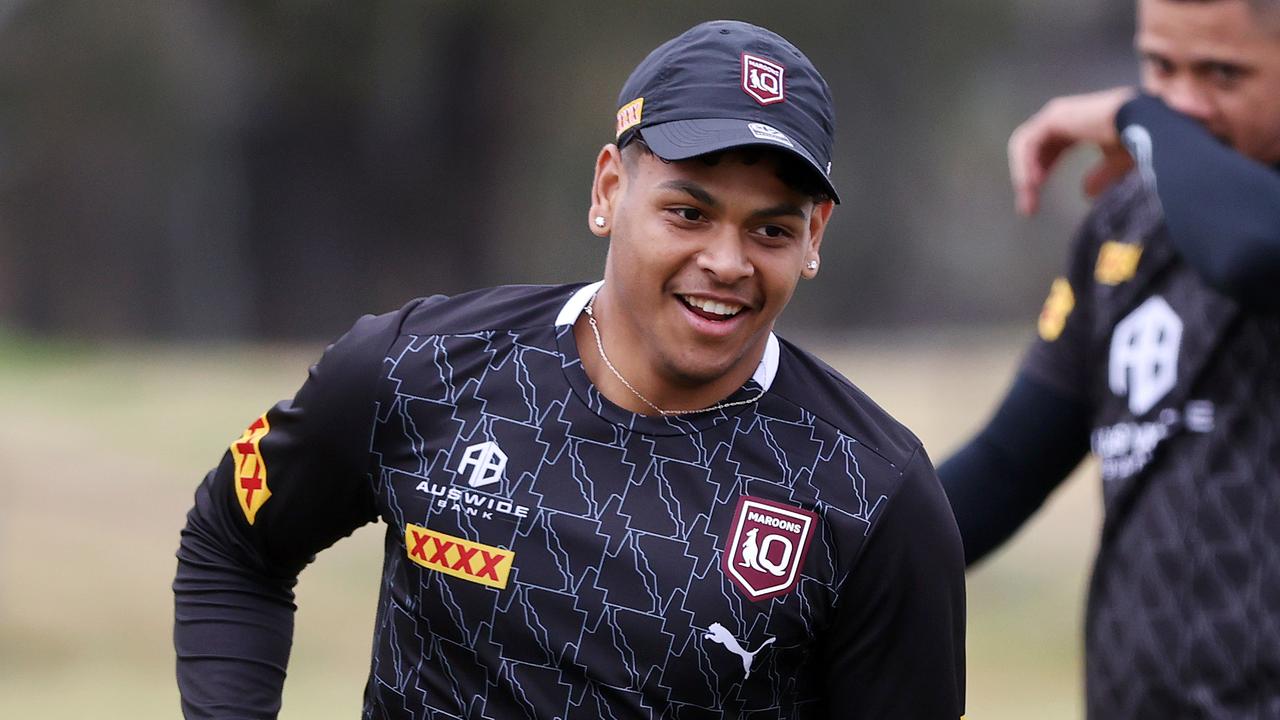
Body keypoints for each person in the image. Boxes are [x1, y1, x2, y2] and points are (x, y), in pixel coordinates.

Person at [173, 20, 966, 719]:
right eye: (687, 213)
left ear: (816, 236)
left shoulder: (872, 496)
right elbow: (232, 540)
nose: (726, 263)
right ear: (609, 189)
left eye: (770, 231)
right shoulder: (420, 369)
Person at [940, 0, 1280, 716]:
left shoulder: (1240, 218)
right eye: (1159, 66)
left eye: (1222, 72)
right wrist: (825, 571)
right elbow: (1008, 463)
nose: (1184, 103)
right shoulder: (1128, 218)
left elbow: (1250, 250)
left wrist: (1140, 115)